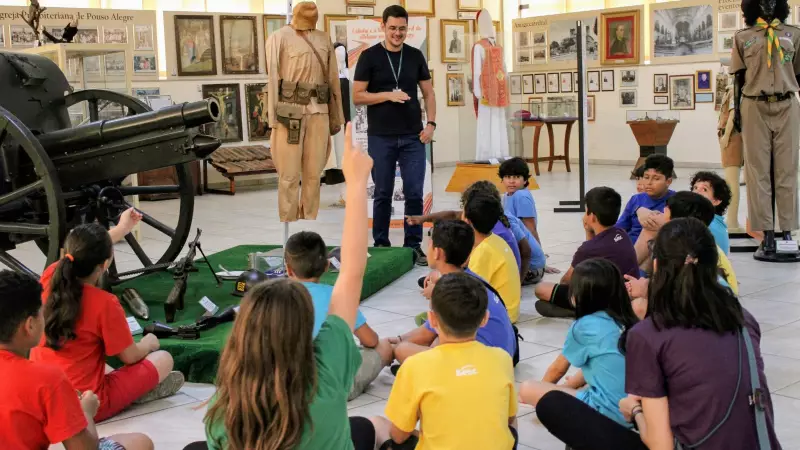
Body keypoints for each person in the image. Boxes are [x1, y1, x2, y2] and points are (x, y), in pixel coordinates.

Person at [202, 123, 377, 450]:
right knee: (371, 426)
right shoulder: (326, 370)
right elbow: (352, 271)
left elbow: (351, 273)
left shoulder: (222, 415)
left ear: (244, 335)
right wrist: (356, 185)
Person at [534, 218, 781, 450]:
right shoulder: (743, 319)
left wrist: (635, 411)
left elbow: (660, 445)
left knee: (553, 405)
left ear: (656, 265)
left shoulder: (650, 334)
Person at [31, 220, 183, 423]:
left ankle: (135, 389)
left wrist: (121, 229)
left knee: (97, 363)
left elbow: (83, 251)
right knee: (163, 358)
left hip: (41, 394)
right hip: (88, 404)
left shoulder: (50, 275)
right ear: (104, 265)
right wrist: (148, 343)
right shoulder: (104, 303)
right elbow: (130, 356)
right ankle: (137, 392)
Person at [0, 271, 154, 450]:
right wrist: (86, 412)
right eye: (42, 313)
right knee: (141, 443)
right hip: (91, 398)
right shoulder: (46, 379)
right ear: (30, 325)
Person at [369, 272, 518, 449]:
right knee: (511, 424)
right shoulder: (502, 359)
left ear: (432, 319)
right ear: (484, 319)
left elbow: (399, 435)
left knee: (378, 425)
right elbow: (509, 418)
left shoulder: (415, 366)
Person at [353, 5, 436, 266]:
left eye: (402, 28)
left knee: (413, 192)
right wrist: (389, 95)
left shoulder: (414, 56)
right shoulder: (369, 57)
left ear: (407, 29)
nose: (397, 33)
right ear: (383, 26)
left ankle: (413, 246)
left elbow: (429, 93)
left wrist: (431, 123)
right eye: (392, 28)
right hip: (381, 137)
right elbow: (357, 96)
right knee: (383, 192)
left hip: (413, 136)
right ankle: (381, 245)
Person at [520, 259, 638, 427]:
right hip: (637, 412)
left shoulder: (584, 326)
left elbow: (557, 369)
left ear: (578, 296)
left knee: (527, 388)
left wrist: (543, 392)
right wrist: (569, 386)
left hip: (608, 414)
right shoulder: (630, 320)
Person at [284, 230, 393, 401]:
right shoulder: (337, 296)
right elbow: (371, 340)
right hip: (335, 387)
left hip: (288, 386)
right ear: (327, 266)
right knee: (384, 346)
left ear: (288, 269)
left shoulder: (275, 298)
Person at [391, 220, 517, 366]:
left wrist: (395, 343)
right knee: (437, 337)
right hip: (505, 357)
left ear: (437, 252)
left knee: (402, 350)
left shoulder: (451, 291)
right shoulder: (471, 280)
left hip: (480, 364)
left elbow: (424, 335)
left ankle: (428, 370)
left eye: (430, 244)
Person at [535, 187, 639, 318]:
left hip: (606, 300)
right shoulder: (622, 234)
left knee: (541, 289)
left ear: (592, 217)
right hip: (627, 294)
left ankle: (583, 311)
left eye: (586, 212)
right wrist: (589, 233)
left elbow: (567, 281)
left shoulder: (589, 249)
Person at [406, 180, 522, 273]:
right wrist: (423, 219)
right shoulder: (489, 223)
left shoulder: (489, 240)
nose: (462, 214)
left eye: (465, 208)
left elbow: (469, 269)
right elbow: (453, 214)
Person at [463, 191, 522, 323]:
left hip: (500, 317)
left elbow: (469, 294)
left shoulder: (483, 252)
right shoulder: (495, 240)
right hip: (510, 311)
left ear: (467, 221)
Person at [616, 154, 675, 244]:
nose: (649, 183)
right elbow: (620, 228)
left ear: (668, 181)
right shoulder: (636, 199)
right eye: (646, 177)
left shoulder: (676, 201)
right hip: (629, 247)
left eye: (656, 178)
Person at [498, 157, 541, 244]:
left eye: (516, 177)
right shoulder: (507, 195)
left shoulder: (521, 196)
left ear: (525, 180)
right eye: (507, 177)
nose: (511, 181)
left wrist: (538, 252)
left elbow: (531, 228)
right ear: (502, 179)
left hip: (525, 247)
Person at [690, 170, 732, 254]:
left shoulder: (707, 225)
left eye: (704, 189)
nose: (697, 192)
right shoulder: (713, 221)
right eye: (695, 188)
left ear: (716, 201)